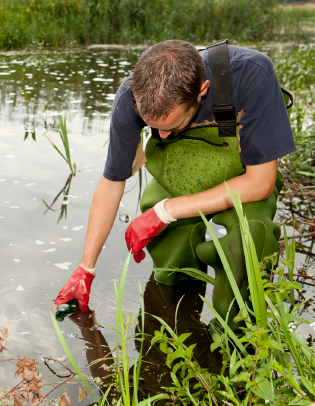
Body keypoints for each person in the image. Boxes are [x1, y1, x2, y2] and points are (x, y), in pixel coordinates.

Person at [54, 39, 295, 331]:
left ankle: (237, 335)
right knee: (171, 266)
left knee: (250, 237)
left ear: (202, 89)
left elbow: (261, 183)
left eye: (172, 125)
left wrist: (165, 211)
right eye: (153, 126)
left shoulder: (251, 73)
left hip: (245, 173)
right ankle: (176, 321)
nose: (162, 136)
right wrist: (86, 268)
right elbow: (112, 181)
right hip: (179, 171)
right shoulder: (129, 95)